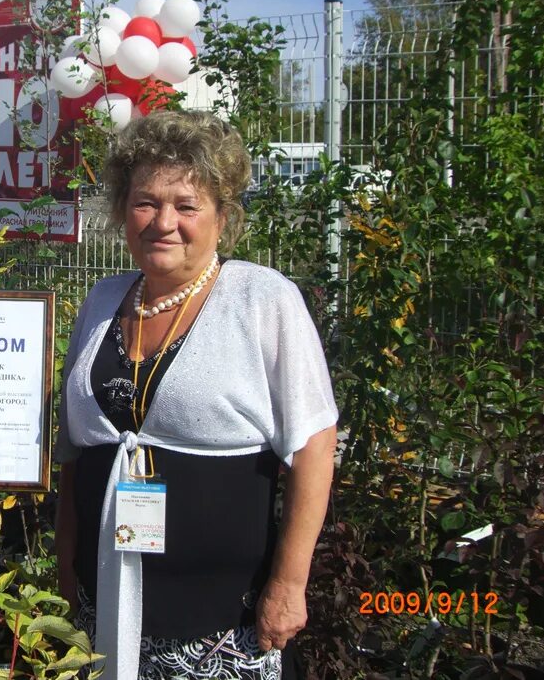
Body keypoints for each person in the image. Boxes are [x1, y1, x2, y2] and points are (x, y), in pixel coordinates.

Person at [55, 110, 339, 679]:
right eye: (146, 202)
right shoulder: (102, 301)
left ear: (221, 217)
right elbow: (75, 454)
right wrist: (66, 575)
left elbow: (313, 442)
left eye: (186, 205)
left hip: (219, 628)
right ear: (121, 210)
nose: (164, 222)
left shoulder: (260, 299)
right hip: (103, 604)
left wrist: (289, 583)